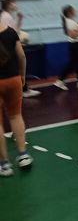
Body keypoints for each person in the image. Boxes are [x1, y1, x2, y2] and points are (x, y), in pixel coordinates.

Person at [0, 14, 33, 176]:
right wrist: (22, 76)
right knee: (15, 116)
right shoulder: (11, 32)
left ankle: (4, 164)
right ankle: (23, 155)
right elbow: (22, 56)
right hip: (13, 80)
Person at [0, 0, 40, 97]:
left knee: (16, 67)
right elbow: (9, 33)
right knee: (16, 67)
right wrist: (17, 43)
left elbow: (15, 31)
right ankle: (23, 89)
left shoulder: (8, 16)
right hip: (8, 48)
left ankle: (22, 89)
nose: (16, 5)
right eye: (14, 3)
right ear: (9, 5)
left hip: (9, 47)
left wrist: (19, 19)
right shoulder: (5, 16)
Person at [54, 6, 78, 91]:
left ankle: (63, 81)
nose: (75, 11)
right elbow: (73, 35)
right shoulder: (70, 22)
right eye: (74, 10)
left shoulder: (69, 21)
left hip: (75, 44)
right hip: (77, 44)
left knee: (74, 64)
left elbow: (75, 33)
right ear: (70, 12)